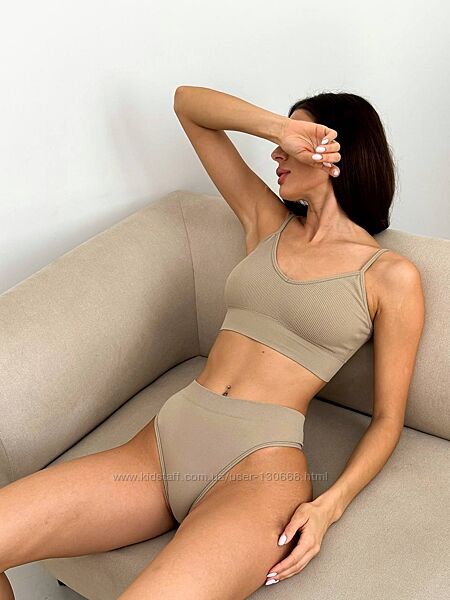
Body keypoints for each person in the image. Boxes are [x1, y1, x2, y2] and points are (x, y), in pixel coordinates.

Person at [0, 87, 425, 600]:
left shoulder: (390, 277)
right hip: (162, 444)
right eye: (283, 139)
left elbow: (388, 420)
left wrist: (327, 508)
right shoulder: (266, 222)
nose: (276, 154)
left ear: (335, 152)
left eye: (292, 142)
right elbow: (189, 106)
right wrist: (280, 128)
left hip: (258, 472)